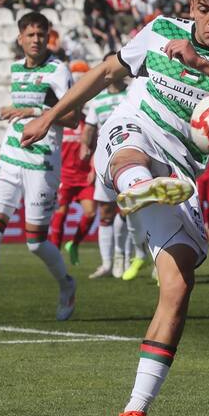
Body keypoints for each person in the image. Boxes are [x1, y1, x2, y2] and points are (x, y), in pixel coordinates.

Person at [21, 0, 209, 416]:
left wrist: (202, 65)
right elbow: (105, 72)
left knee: (178, 287)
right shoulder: (159, 31)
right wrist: (50, 117)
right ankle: (135, 183)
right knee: (129, 149)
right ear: (192, 5)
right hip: (132, 133)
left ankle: (134, 412)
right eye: (205, 10)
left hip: (178, 175)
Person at [0, 12, 77, 325]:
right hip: (10, 157)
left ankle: (66, 284)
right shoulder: (16, 68)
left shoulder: (58, 70)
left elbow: (73, 118)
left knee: (35, 242)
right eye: (30, 34)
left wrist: (34, 110)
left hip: (42, 162)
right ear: (20, 38)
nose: (36, 40)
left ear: (48, 38)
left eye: (41, 35)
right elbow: (18, 112)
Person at [80, 52, 144, 280]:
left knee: (128, 210)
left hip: (132, 160)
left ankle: (124, 256)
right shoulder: (97, 101)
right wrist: (85, 146)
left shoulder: (133, 93)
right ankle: (108, 263)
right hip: (105, 163)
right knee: (106, 213)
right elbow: (89, 128)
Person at [48, 61, 95, 265]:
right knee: (61, 214)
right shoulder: (62, 121)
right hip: (64, 176)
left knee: (90, 213)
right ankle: (54, 254)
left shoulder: (88, 122)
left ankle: (74, 244)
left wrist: (93, 168)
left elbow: (94, 147)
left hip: (84, 177)